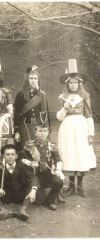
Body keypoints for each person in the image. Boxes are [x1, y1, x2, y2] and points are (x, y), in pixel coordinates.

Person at [57, 59, 96, 198]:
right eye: (70, 83)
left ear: (79, 83)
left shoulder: (84, 97)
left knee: (80, 154)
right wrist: (64, 108)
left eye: (75, 82)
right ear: (67, 84)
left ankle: (80, 186)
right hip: (67, 129)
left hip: (80, 128)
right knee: (70, 154)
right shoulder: (63, 97)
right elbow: (59, 117)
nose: (73, 85)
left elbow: (89, 116)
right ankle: (71, 186)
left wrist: (90, 133)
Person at [0, 144, 40, 221]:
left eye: (12, 154)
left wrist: (33, 191)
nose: (10, 157)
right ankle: (3, 210)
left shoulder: (22, 166)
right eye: (7, 154)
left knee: (32, 188)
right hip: (6, 195)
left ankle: (22, 210)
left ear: (16, 156)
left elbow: (32, 177)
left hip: (21, 194)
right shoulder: (0, 167)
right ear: (3, 156)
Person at [22, 125, 65, 210]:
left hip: (47, 172)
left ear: (48, 132)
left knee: (59, 182)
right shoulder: (29, 144)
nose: (42, 133)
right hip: (34, 173)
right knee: (37, 199)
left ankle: (50, 201)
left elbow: (58, 159)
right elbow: (23, 158)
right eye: (40, 131)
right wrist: (31, 163)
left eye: (45, 131)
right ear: (35, 133)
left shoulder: (52, 145)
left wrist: (59, 171)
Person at [14, 65, 50, 150]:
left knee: (39, 150)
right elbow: (17, 114)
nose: (33, 81)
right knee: (25, 150)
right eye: (31, 78)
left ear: (38, 80)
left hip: (39, 128)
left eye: (35, 78)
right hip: (25, 128)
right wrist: (16, 131)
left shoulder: (42, 95)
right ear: (27, 80)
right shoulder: (20, 95)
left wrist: (48, 131)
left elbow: (46, 114)